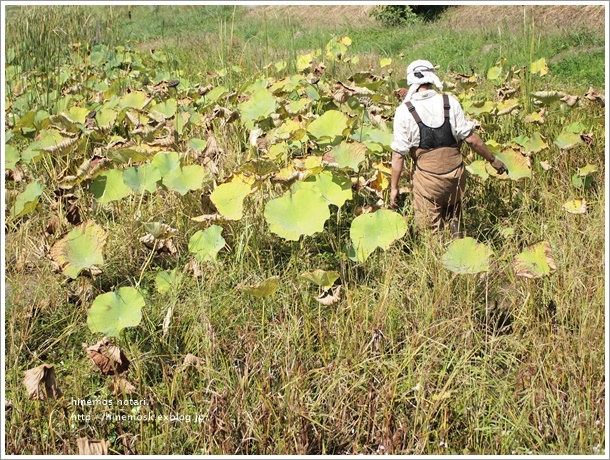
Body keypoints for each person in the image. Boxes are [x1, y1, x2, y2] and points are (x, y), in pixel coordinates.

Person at [390, 59, 508, 238]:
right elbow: (472, 140)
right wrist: (493, 160)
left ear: (411, 81)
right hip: (456, 178)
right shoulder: (449, 102)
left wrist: (394, 188)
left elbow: (399, 155)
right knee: (454, 211)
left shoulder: (404, 111)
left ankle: (439, 255)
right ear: (432, 78)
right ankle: (457, 235)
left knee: (430, 231)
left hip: (428, 181)